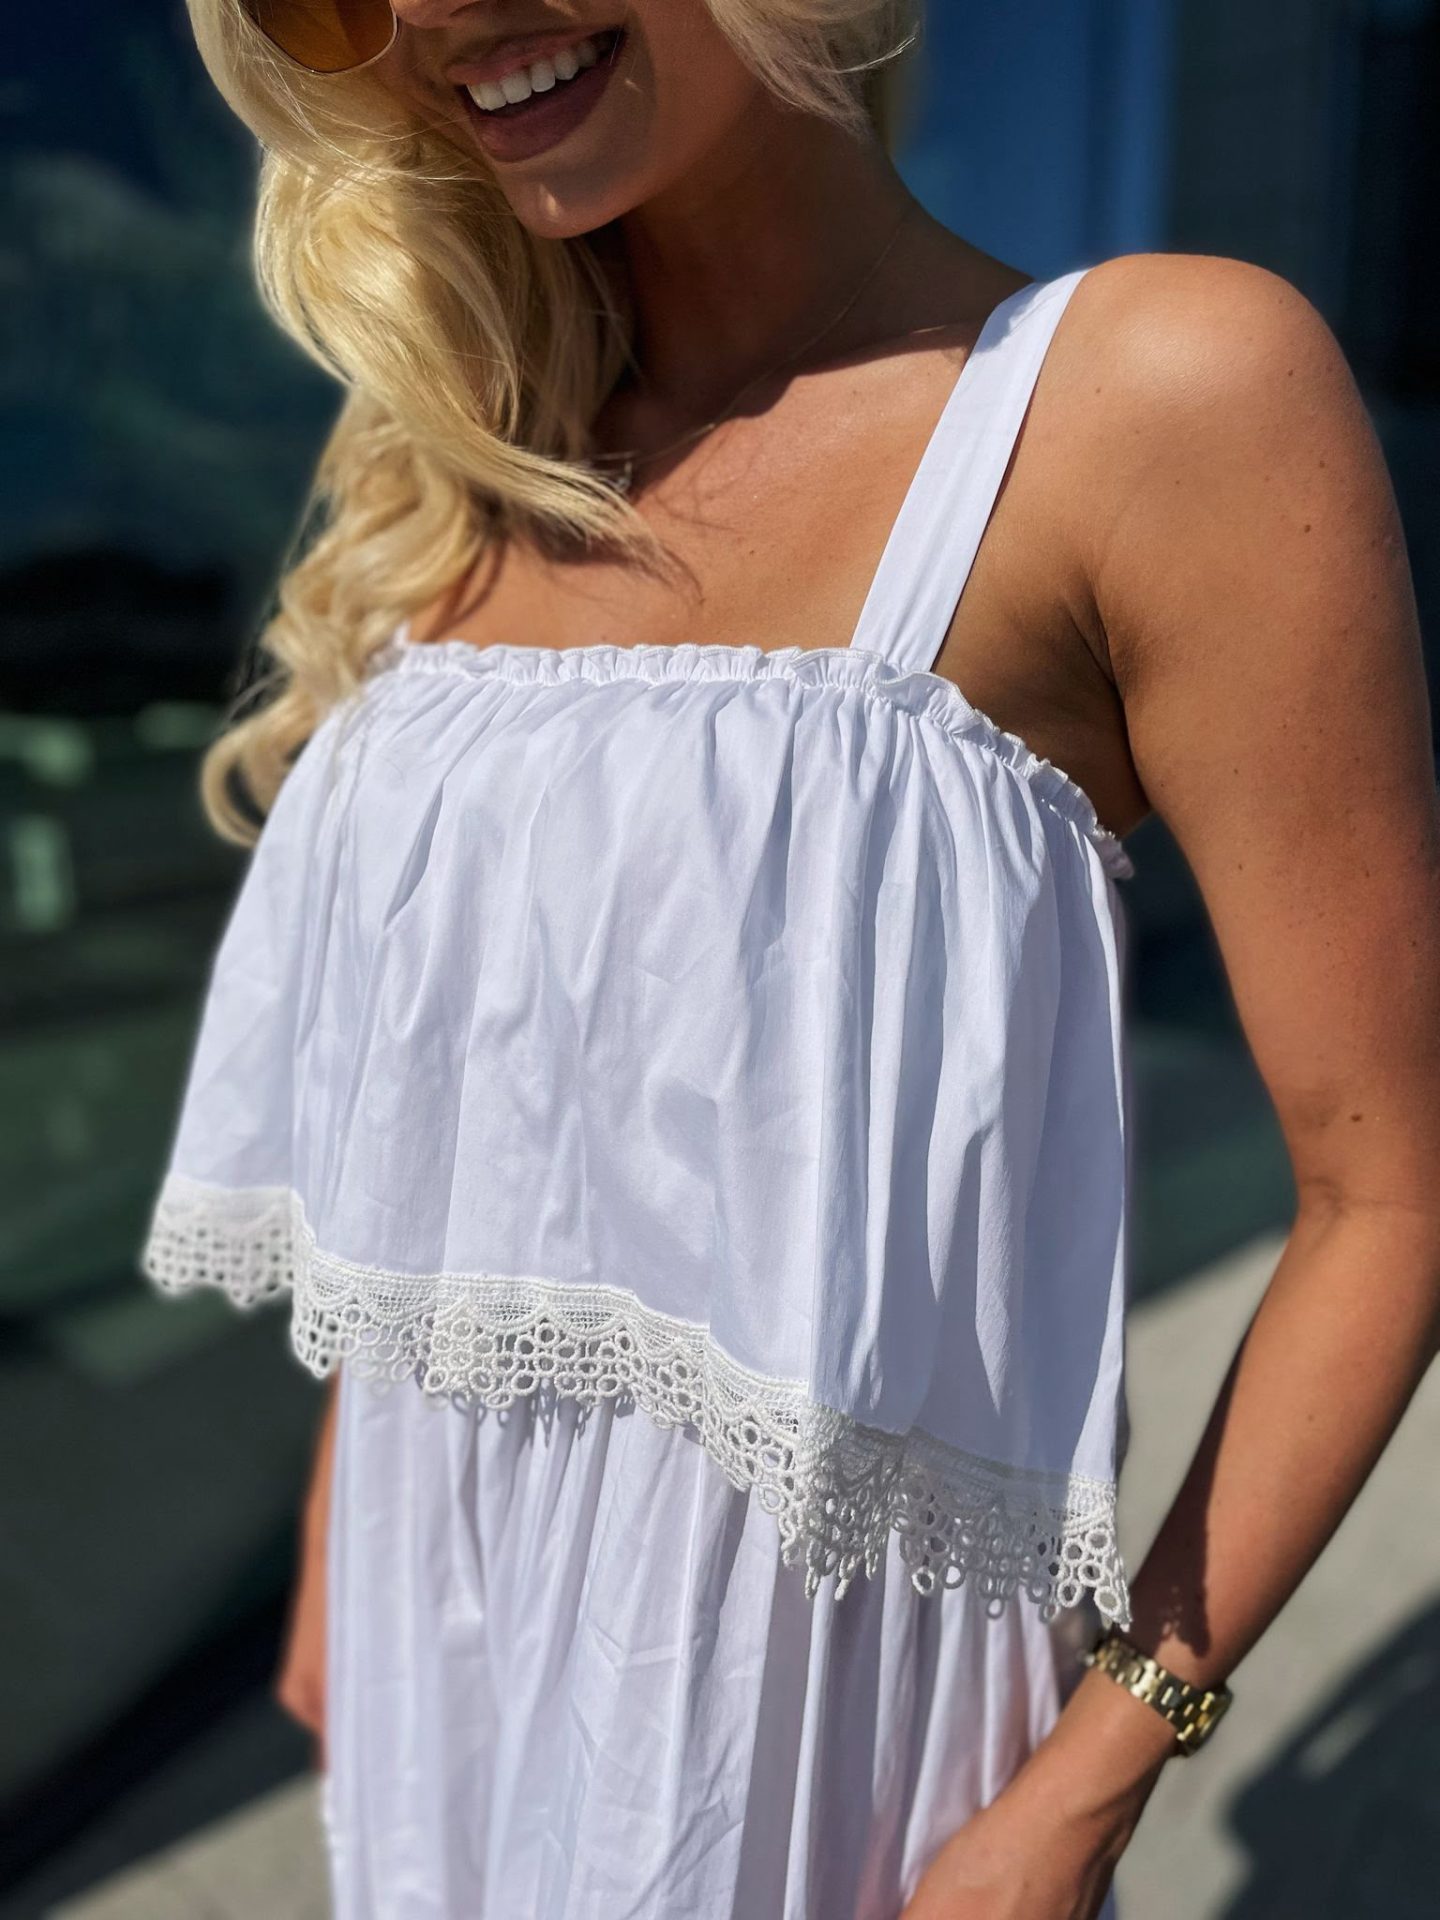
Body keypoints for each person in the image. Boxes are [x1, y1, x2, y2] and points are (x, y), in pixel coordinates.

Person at [139, 3, 1440, 1917]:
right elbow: (470, 1136)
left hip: (827, 1723)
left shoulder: (1150, 398)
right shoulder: (474, 454)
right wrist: (348, 1521)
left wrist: (1088, 1783)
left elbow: (1388, 1189)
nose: (430, 15)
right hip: (442, 1643)